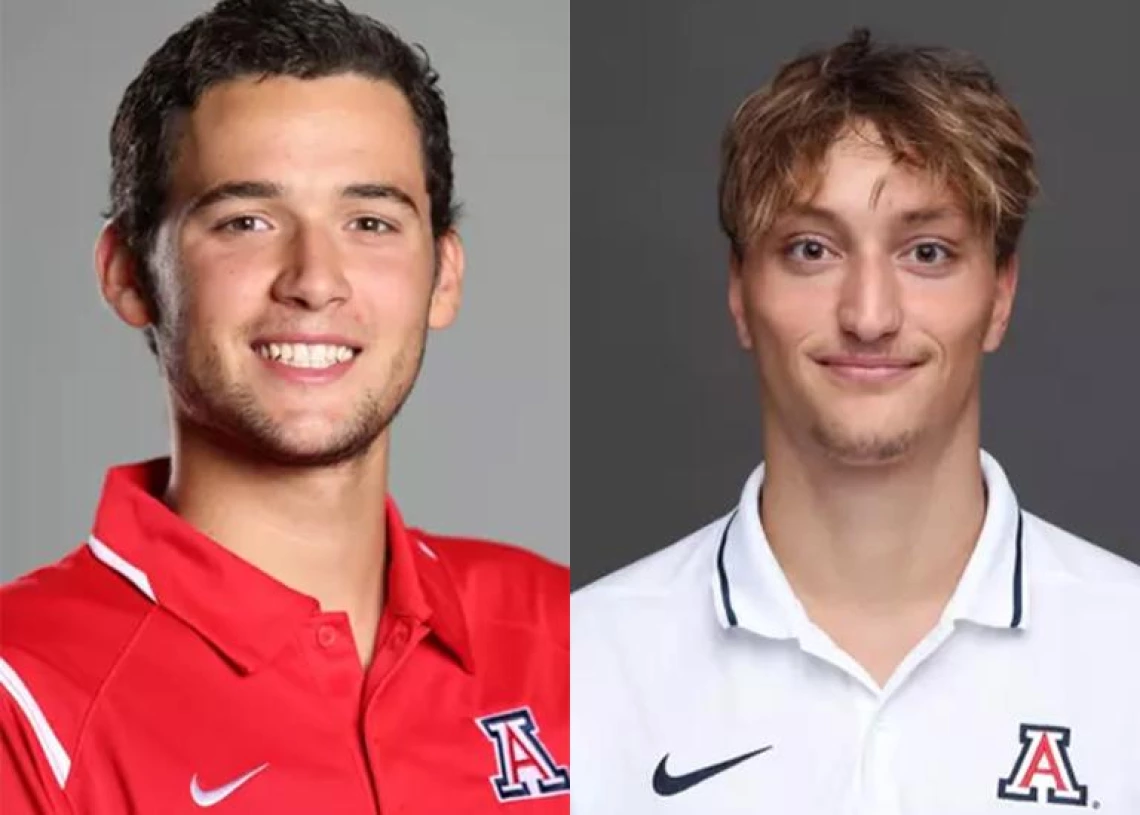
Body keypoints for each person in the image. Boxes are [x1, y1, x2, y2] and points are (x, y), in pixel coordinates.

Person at [0, 1, 569, 812]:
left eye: (369, 221)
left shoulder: (569, 629)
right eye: (247, 221)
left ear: (443, 277)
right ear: (129, 273)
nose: (314, 278)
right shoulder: (22, 696)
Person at [571, 28, 1140, 814]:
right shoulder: (584, 663)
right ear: (740, 292)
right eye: (811, 249)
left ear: (1001, 294)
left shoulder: (1128, 652)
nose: (869, 314)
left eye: (928, 252)